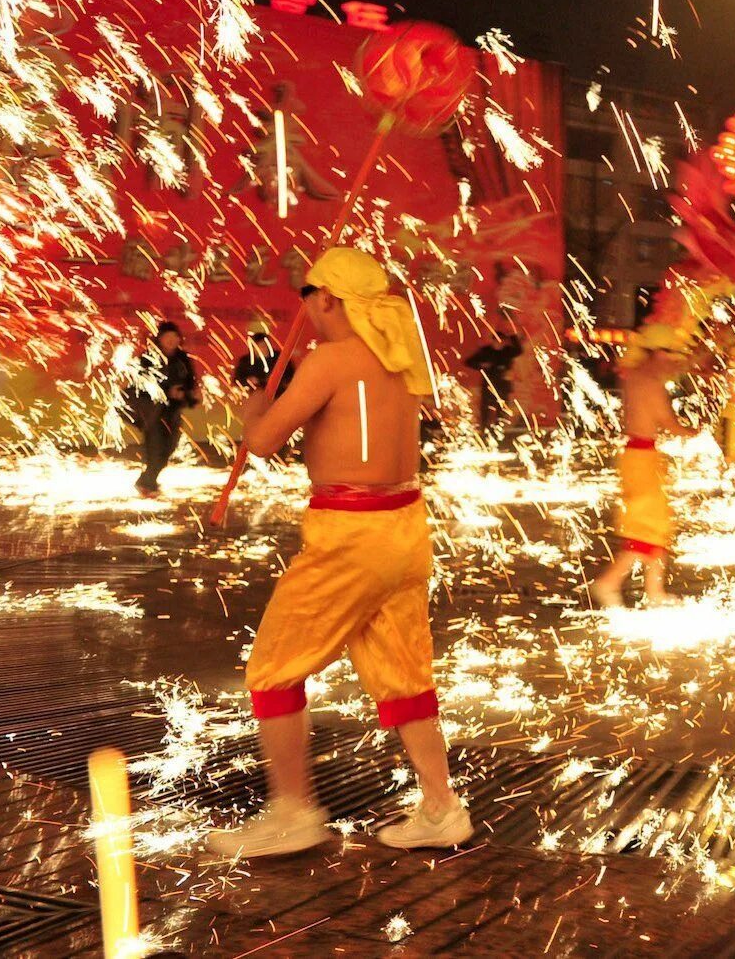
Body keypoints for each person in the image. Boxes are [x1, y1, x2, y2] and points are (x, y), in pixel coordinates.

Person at [208, 247, 468, 858]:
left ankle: (294, 812)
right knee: (403, 674)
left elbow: (267, 441)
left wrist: (252, 409)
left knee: (272, 669)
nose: (307, 311)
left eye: (308, 298)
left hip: (349, 536)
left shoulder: (329, 360)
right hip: (405, 526)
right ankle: (441, 808)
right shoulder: (399, 356)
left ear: (326, 298)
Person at [591, 324, 693, 608]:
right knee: (648, 526)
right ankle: (609, 582)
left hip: (635, 455)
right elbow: (669, 423)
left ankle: (655, 591)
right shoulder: (651, 383)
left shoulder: (635, 375)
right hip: (643, 459)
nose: (675, 361)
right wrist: (697, 431)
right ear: (659, 353)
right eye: (672, 355)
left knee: (655, 523)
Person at [130, 320, 198, 497]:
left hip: (173, 411)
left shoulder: (182, 359)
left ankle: (147, 482)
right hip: (153, 411)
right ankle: (147, 484)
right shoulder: (148, 358)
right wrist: (167, 391)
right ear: (160, 338)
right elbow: (141, 385)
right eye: (168, 337)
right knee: (156, 447)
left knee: (170, 447)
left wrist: (187, 395)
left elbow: (190, 382)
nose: (172, 340)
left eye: (175, 337)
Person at [464, 326, 523, 437]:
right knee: (486, 410)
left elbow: (519, 350)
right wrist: (481, 365)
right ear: (493, 340)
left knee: (501, 410)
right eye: (497, 341)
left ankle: (497, 433)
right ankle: (483, 433)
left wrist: (513, 336)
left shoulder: (508, 351)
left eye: (502, 341)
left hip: (503, 385)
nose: (500, 343)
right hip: (489, 385)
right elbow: (469, 361)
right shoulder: (486, 351)